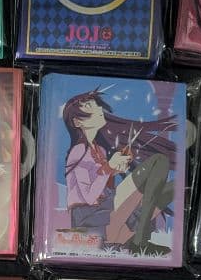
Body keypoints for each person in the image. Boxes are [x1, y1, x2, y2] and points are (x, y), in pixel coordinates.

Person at [60, 89, 177, 256]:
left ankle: (135, 239)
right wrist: (109, 168)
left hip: (109, 214)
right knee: (158, 161)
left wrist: (115, 169)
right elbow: (89, 197)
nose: (99, 109)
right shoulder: (78, 151)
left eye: (96, 105)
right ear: (77, 122)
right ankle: (140, 241)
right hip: (91, 218)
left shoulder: (98, 149)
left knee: (174, 188)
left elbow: (101, 183)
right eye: (89, 107)